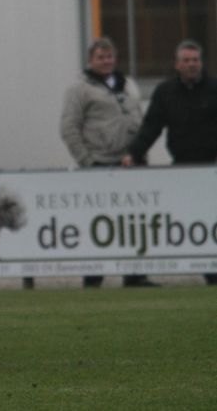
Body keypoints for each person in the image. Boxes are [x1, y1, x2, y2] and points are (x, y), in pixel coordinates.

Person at [60, 38, 157, 288]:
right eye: (100, 57)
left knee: (134, 222)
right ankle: (93, 276)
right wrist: (87, 161)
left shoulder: (128, 84)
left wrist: (138, 152)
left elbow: (139, 118)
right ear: (90, 60)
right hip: (100, 164)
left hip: (130, 163)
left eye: (109, 56)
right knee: (98, 222)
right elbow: (69, 127)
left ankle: (135, 274)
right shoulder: (80, 89)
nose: (106, 61)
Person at [122, 40, 217, 286]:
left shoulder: (214, 89)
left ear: (201, 62)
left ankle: (212, 272)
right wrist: (134, 153)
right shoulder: (165, 92)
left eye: (195, 60)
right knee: (174, 219)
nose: (191, 64)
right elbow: (151, 127)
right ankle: (140, 273)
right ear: (177, 64)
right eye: (186, 60)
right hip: (181, 168)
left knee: (210, 219)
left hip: (210, 168)